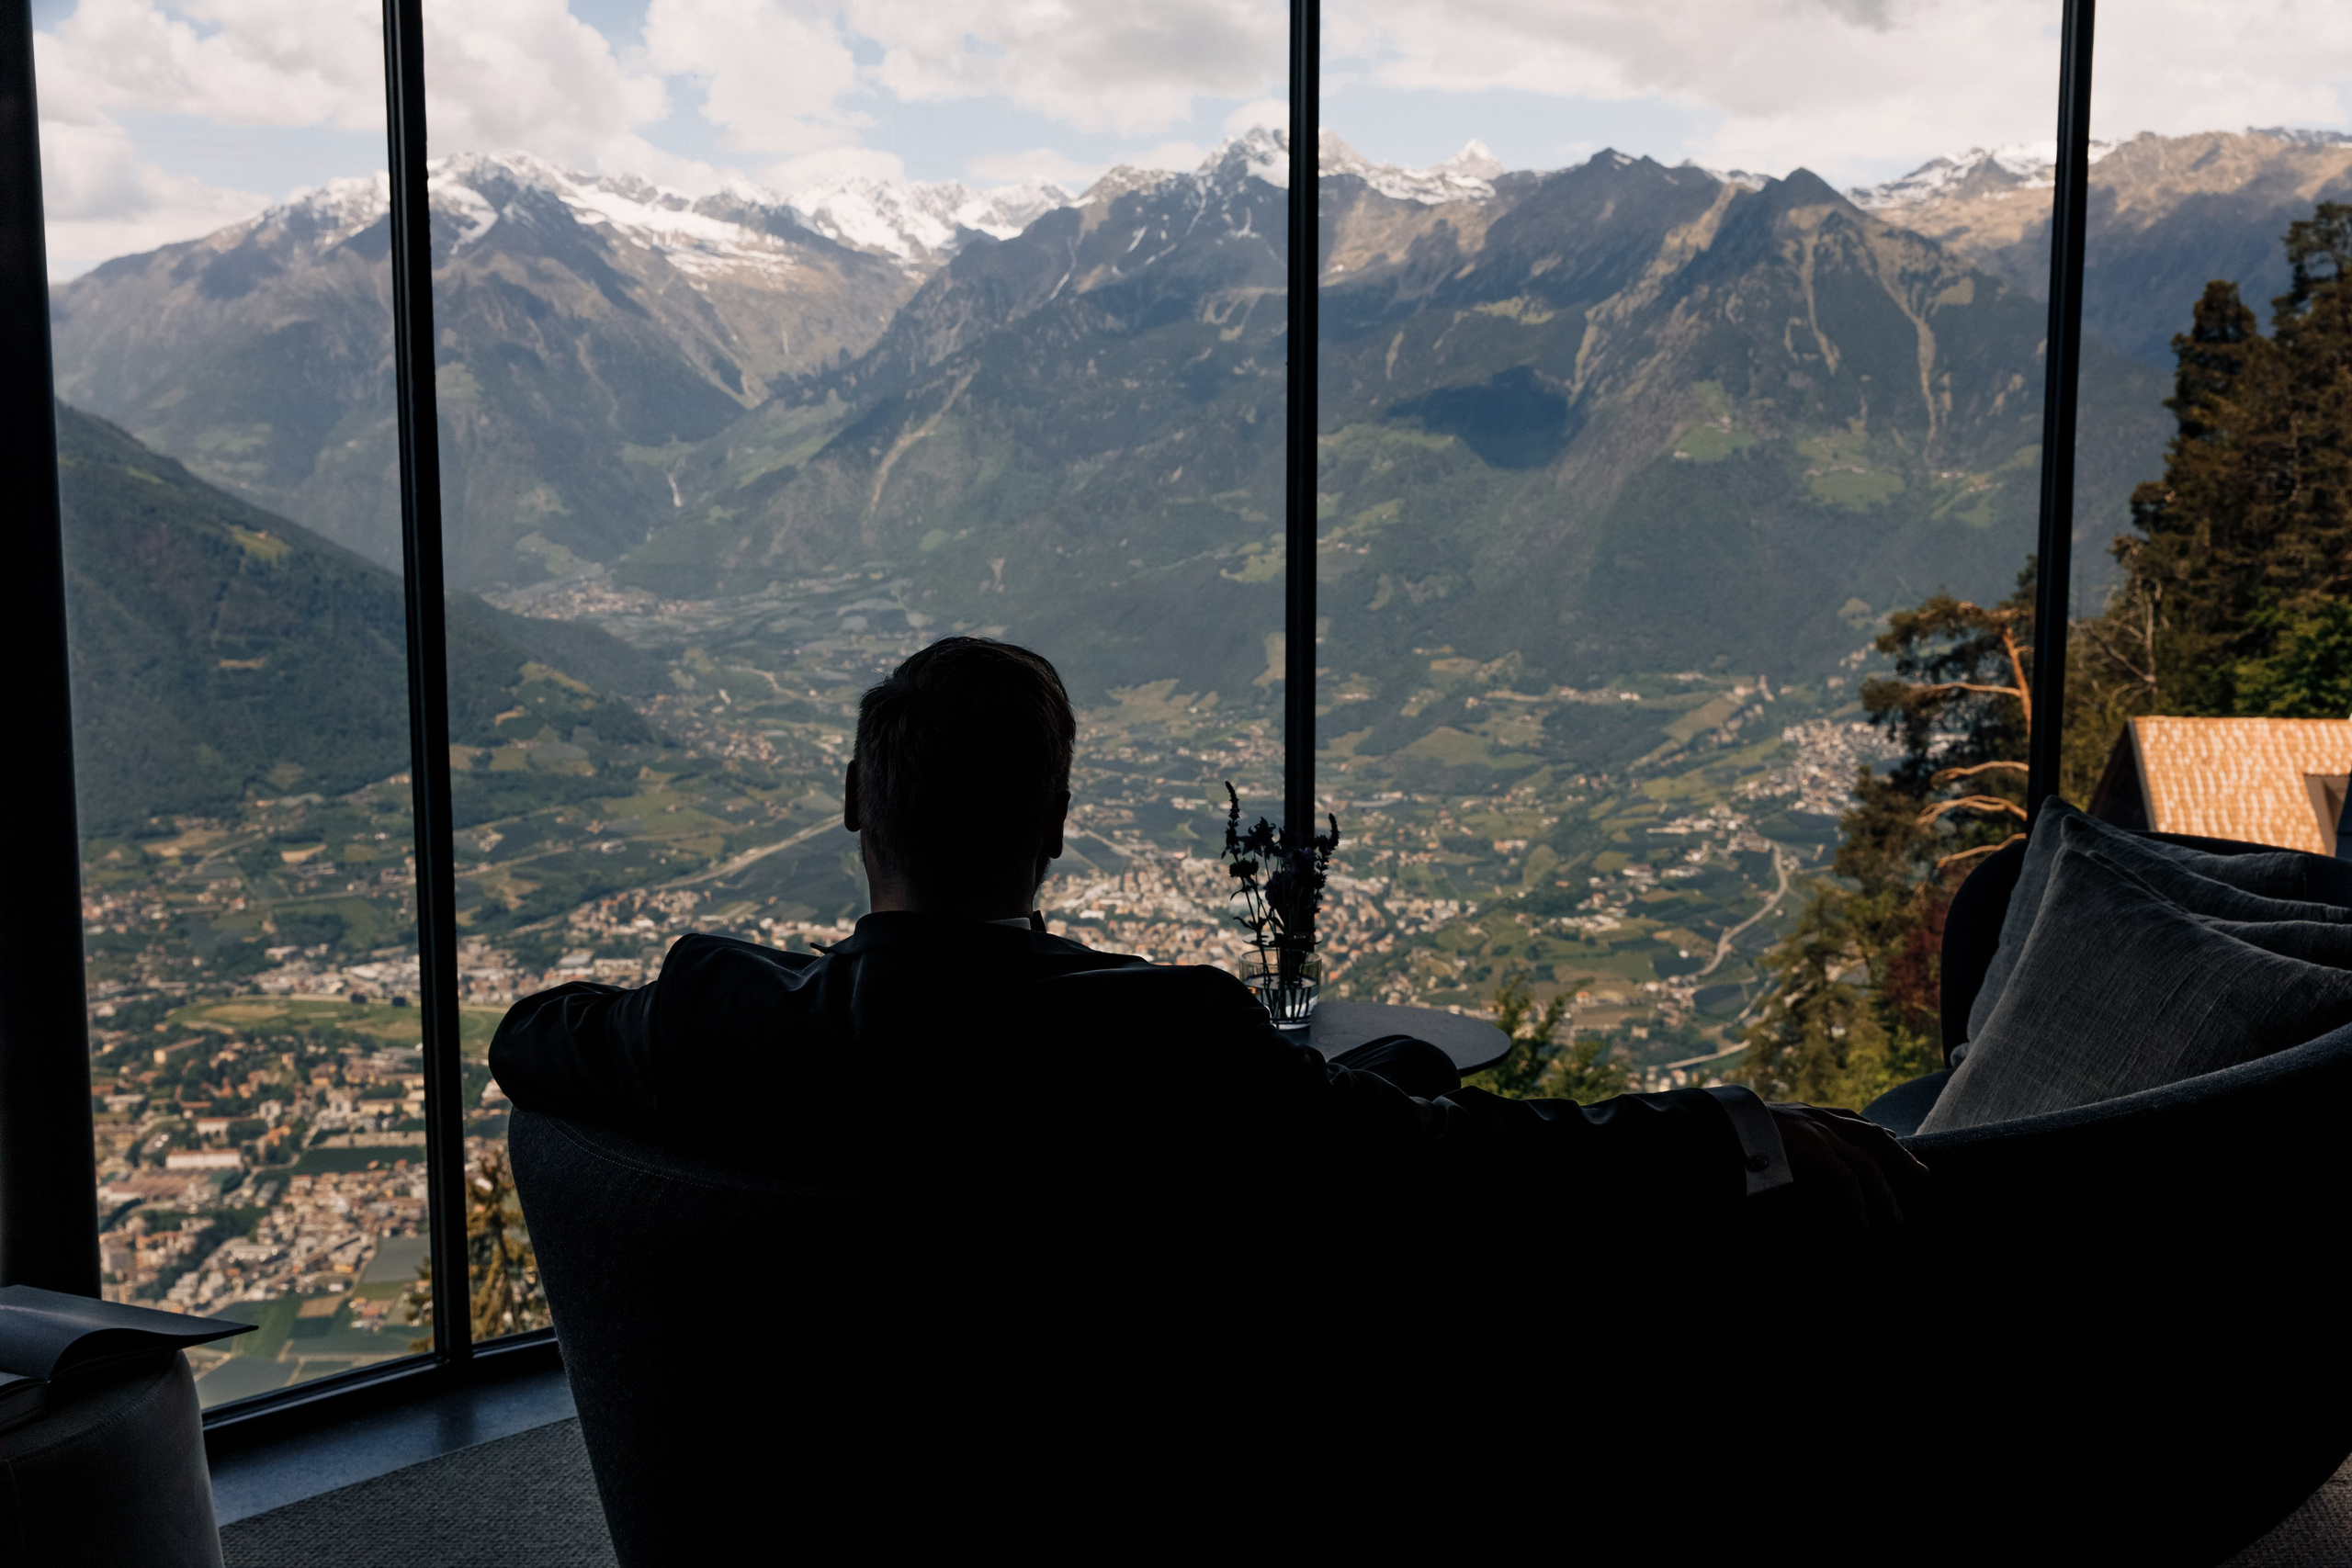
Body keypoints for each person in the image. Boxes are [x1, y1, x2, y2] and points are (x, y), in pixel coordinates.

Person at [492, 635, 1922, 1246]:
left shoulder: (716, 1027)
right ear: (1056, 822)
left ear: (854, 801)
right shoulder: (1166, 1039)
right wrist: (1745, 1132)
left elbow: (530, 1033)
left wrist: (782, 983)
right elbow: (1480, 1179)